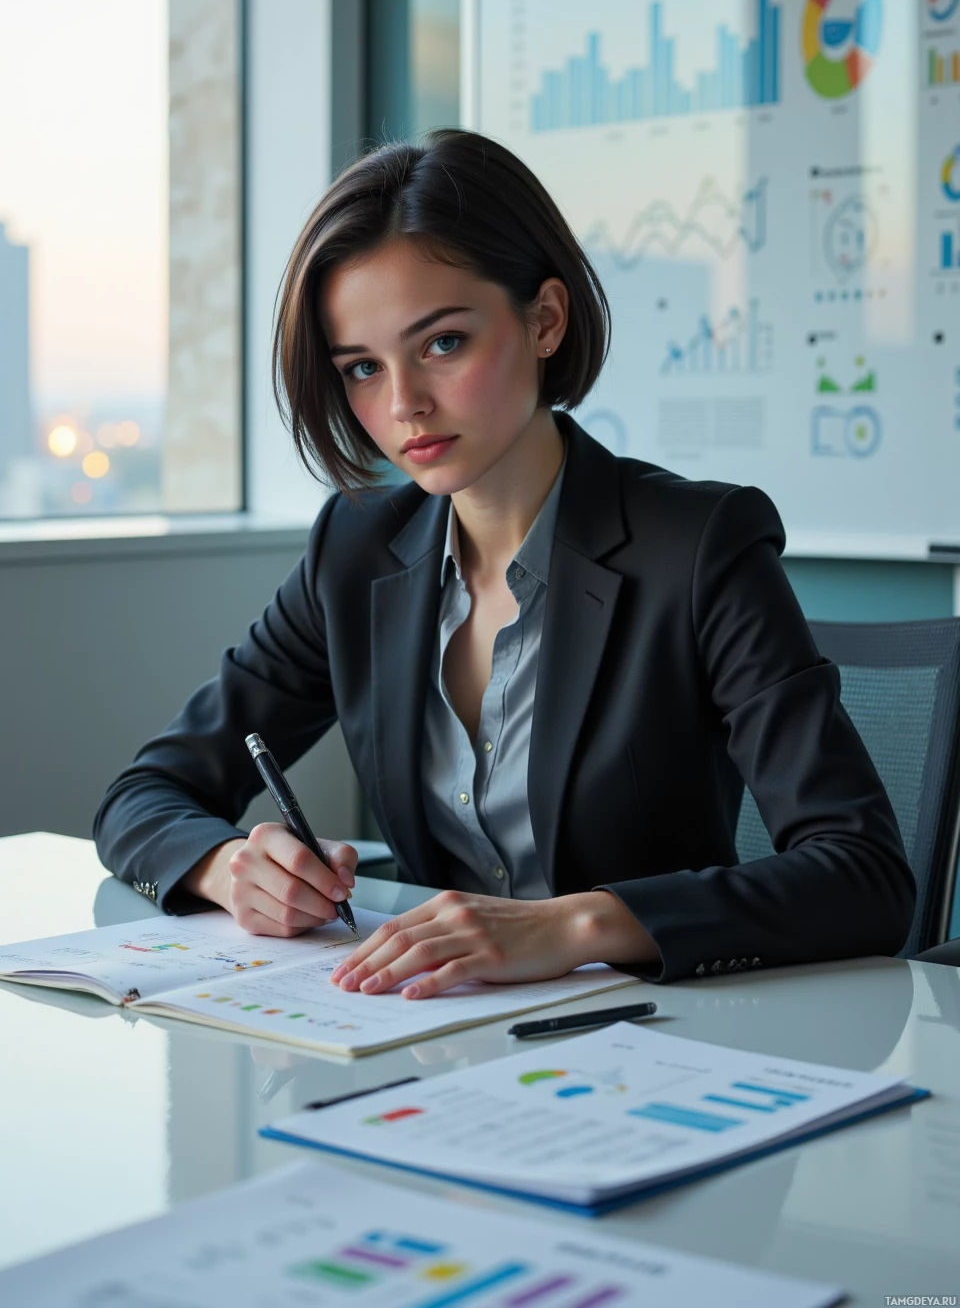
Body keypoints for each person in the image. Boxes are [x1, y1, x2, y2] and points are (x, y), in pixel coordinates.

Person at [94, 130, 914, 994]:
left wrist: (572, 925)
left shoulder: (700, 545)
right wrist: (227, 868)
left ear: (545, 319)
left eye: (443, 343)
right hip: (428, 1039)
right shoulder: (355, 550)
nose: (404, 403)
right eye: (363, 368)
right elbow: (145, 794)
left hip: (655, 1039)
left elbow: (864, 875)